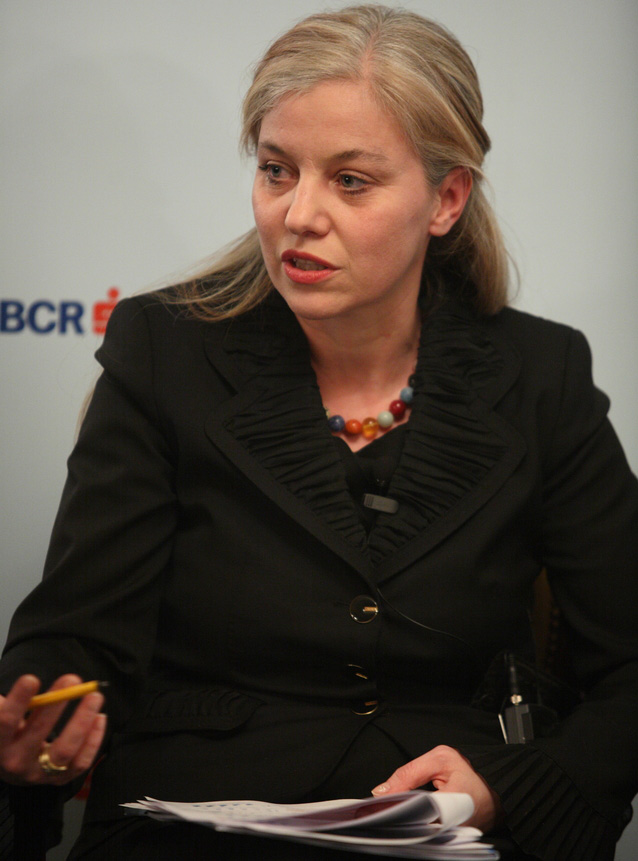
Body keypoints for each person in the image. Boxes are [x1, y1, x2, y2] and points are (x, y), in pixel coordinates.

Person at [1, 5, 636, 859]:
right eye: (277, 170)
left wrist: (510, 786)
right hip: (193, 822)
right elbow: (77, 636)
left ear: (446, 198)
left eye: (351, 180)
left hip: (445, 831)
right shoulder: (163, 352)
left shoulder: (541, 375)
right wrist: (41, 723)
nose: (298, 214)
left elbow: (629, 668)